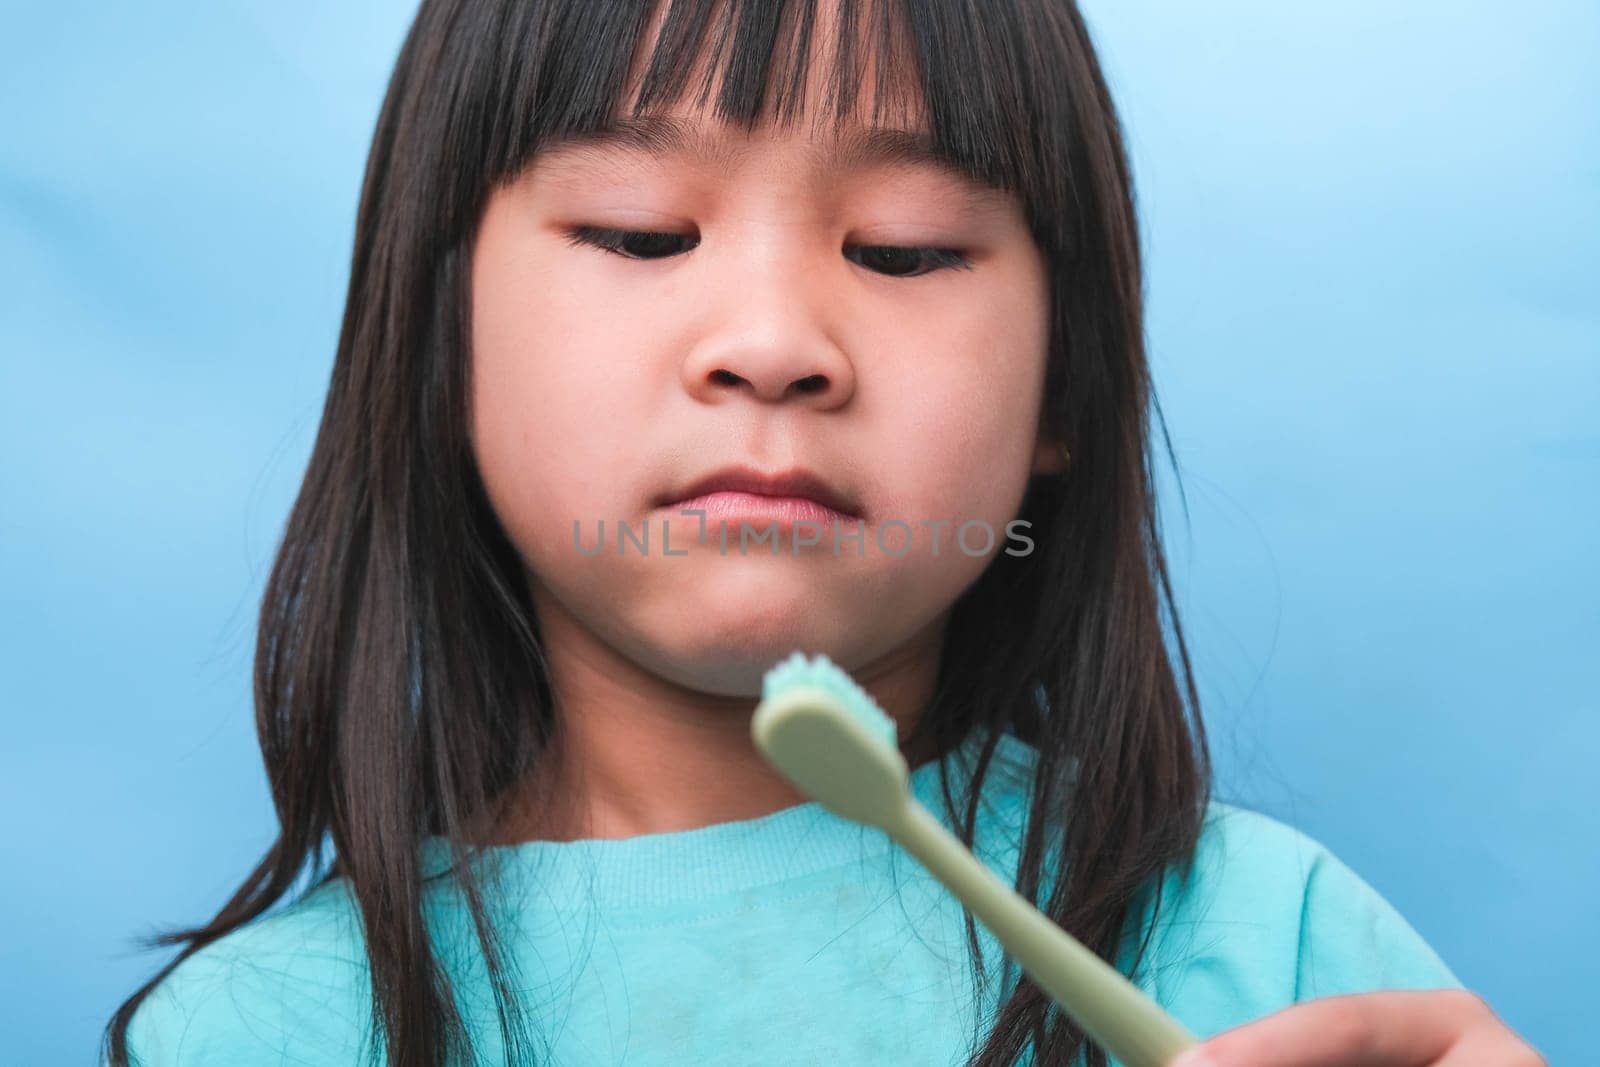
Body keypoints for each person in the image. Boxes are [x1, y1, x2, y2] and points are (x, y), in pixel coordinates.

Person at [103, 0, 1545, 1064]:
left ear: (1066, 394)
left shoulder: (1279, 960)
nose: (776, 345)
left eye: (906, 249)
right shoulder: (253, 1035)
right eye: (639, 231)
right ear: (438, 346)